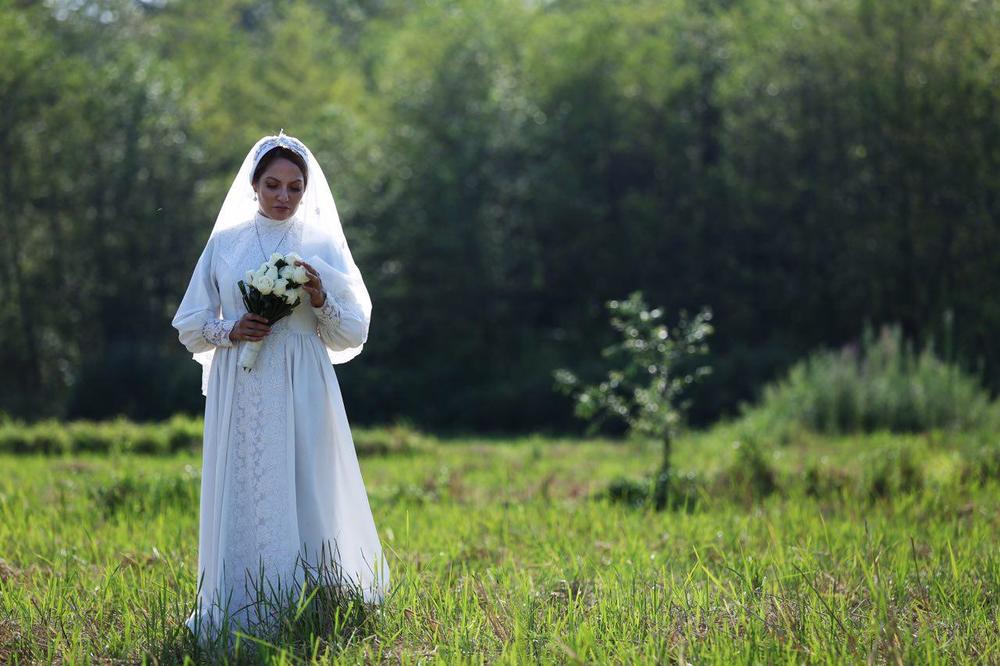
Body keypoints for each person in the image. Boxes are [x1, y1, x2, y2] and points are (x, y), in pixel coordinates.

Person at [171, 131, 389, 646]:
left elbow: (351, 331)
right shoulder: (225, 244)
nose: (283, 196)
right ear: (253, 184)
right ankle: (242, 601)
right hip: (241, 382)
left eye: (294, 186)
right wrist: (232, 330)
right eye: (272, 184)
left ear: (306, 189)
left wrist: (319, 297)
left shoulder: (321, 243)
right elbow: (189, 321)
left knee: (308, 481)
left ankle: (314, 603)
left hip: (303, 379)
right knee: (247, 483)